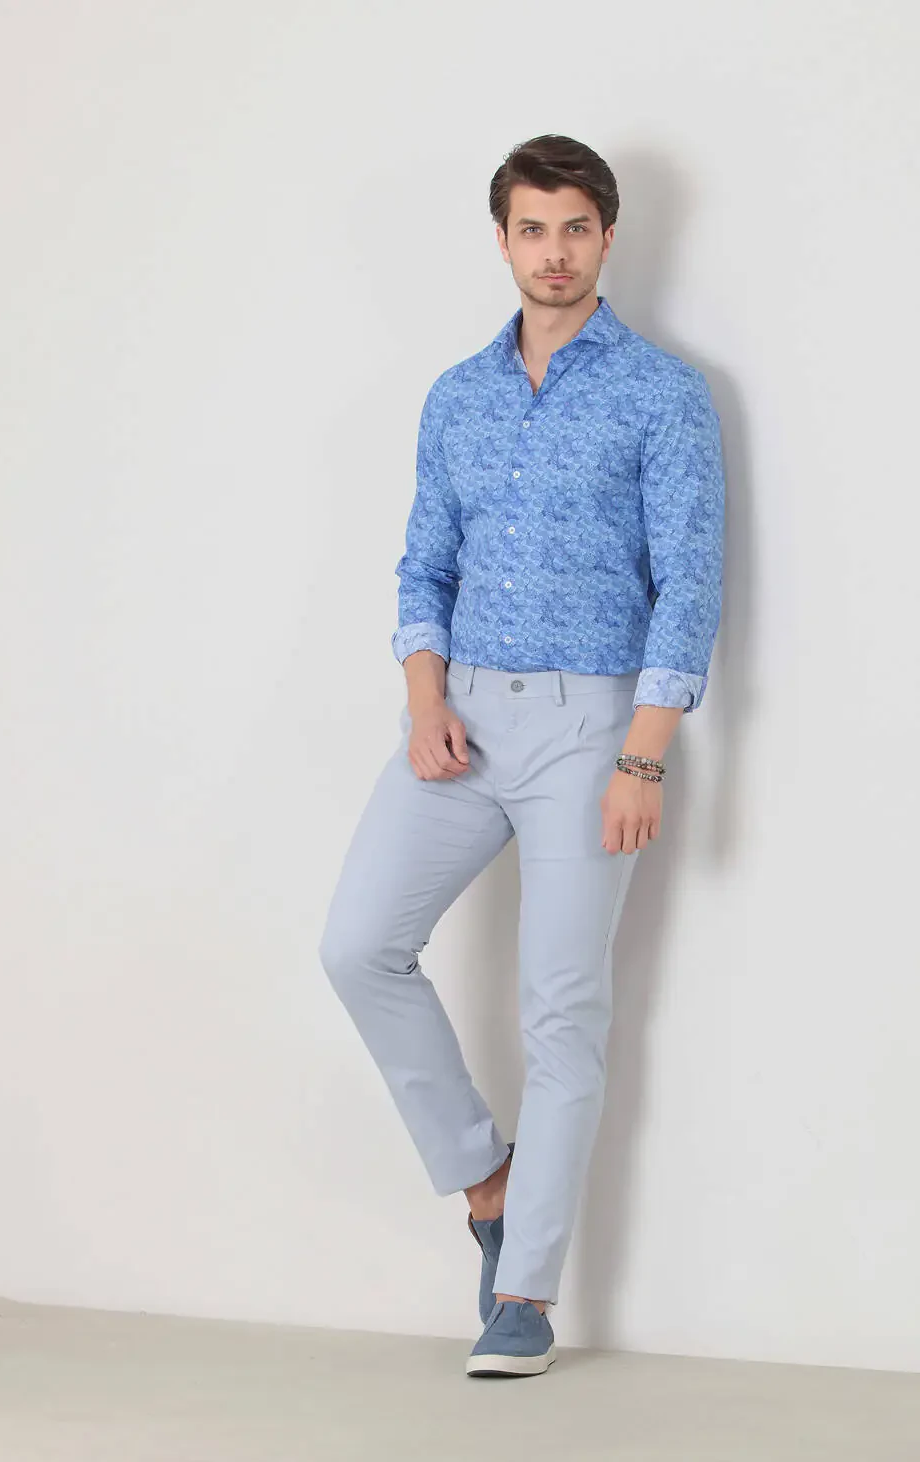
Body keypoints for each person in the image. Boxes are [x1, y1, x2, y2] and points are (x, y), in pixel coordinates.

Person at [318, 133, 724, 1379]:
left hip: (591, 727)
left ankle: (524, 1294)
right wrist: (421, 700)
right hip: (458, 718)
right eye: (531, 230)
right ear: (500, 240)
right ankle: (484, 1179)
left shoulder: (661, 393)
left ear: (607, 236)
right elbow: (422, 565)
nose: (553, 252)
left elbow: (688, 583)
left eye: (574, 229)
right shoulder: (457, 394)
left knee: (560, 1009)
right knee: (357, 944)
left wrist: (641, 756)